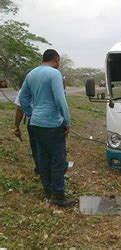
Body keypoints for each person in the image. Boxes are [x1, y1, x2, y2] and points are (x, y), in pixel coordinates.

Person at [19, 49, 73, 207]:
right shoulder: (54, 74)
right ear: (56, 59)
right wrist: (66, 121)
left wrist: (32, 113)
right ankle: (58, 195)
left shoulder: (31, 74)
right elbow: (60, 99)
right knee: (58, 159)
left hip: (36, 123)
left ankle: (48, 191)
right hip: (52, 124)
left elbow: (23, 98)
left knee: (43, 157)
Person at [13, 85, 39, 175]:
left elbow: (20, 109)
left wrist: (17, 126)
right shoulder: (52, 84)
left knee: (36, 147)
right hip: (52, 122)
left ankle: (40, 169)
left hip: (34, 122)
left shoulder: (26, 88)